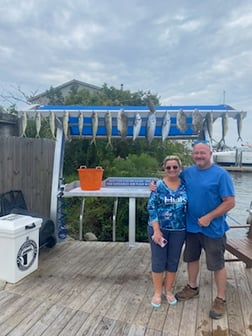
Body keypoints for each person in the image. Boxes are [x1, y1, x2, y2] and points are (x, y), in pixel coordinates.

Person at [150, 141, 235, 319]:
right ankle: (192, 287)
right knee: (191, 258)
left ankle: (221, 299)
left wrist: (209, 217)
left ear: (210, 153)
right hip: (190, 227)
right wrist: (154, 185)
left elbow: (230, 202)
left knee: (217, 264)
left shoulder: (221, 175)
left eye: (202, 153)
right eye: (196, 153)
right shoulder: (187, 172)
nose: (199, 156)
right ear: (192, 155)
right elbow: (170, 179)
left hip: (213, 228)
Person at [147, 155, 187, 308]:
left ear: (179, 169)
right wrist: (156, 231)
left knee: (173, 261)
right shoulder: (157, 185)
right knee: (158, 261)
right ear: (164, 169)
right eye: (168, 167)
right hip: (159, 229)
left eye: (175, 167)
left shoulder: (185, 185)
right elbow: (151, 208)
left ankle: (168, 290)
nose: (171, 170)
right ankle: (157, 292)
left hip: (179, 229)